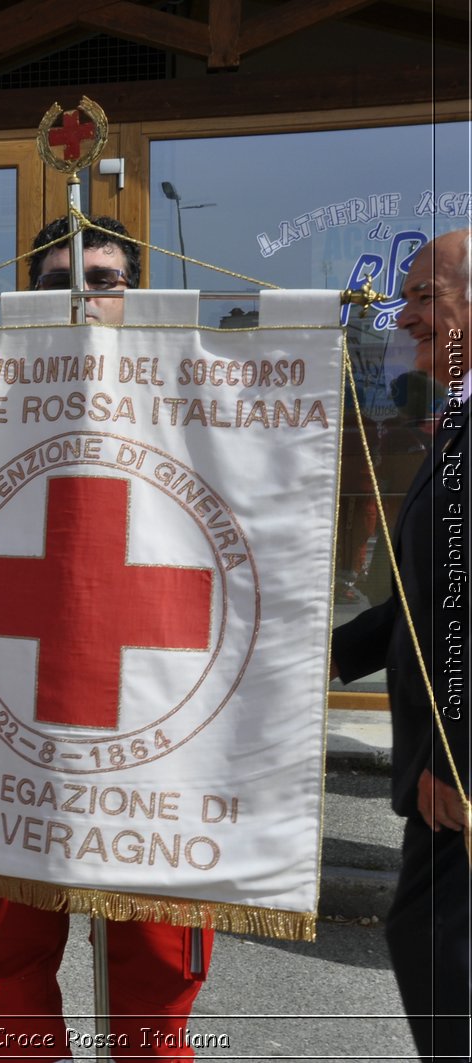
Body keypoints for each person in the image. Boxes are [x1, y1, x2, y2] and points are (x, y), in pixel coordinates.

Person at [0, 217, 215, 1061]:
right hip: (8, 722)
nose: (84, 298)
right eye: (62, 280)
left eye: (103, 279)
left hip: (157, 727)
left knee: (158, 972)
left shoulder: (206, 409)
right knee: (3, 958)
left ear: (136, 293)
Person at [333, 228, 470, 1063]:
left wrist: (457, 759)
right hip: (441, 762)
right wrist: (322, 656)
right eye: (408, 295)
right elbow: (428, 601)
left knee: (436, 948)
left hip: (454, 770)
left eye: (428, 296)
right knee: (429, 945)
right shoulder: (455, 419)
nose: (406, 314)